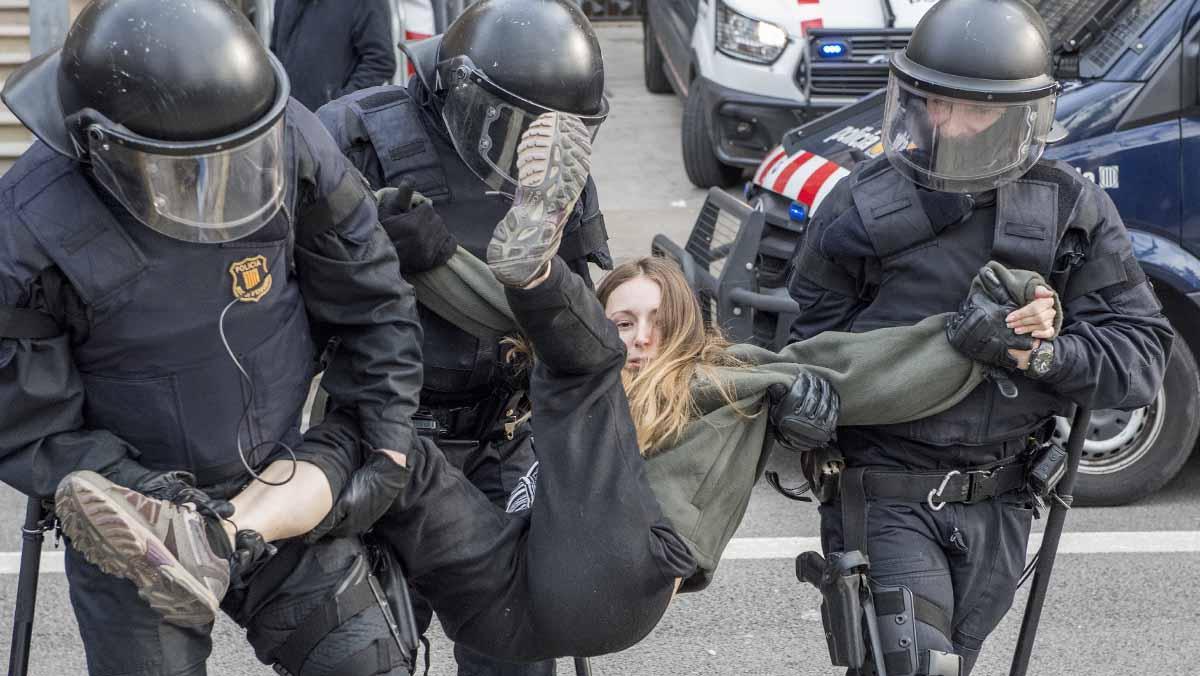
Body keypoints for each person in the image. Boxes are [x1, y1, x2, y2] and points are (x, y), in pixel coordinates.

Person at [54, 104, 1072, 665]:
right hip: (518, 592)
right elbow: (497, 309)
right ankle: (208, 539)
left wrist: (976, 337)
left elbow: (862, 368)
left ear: (685, 330)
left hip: (622, 574)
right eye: (618, 316)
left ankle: (539, 260)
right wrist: (409, 247)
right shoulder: (577, 371)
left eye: (648, 323)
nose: (634, 337)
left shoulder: (731, 374)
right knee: (389, 449)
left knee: (569, 367)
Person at [0, 1, 422, 674]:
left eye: (229, 163)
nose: (211, 197)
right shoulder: (27, 233)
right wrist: (166, 510)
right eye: (182, 172)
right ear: (97, 144)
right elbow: (33, 425)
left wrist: (386, 439)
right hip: (134, 518)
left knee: (366, 662)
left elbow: (374, 304)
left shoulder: (290, 142)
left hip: (280, 474)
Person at [784, 1, 1173, 673]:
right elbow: (805, 352)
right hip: (885, 495)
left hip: (1004, 502)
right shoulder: (857, 208)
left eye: (975, 110)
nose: (948, 124)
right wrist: (801, 411)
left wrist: (1042, 353)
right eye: (934, 102)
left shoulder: (1071, 211)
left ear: (1022, 116)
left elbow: (1140, 359)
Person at [315, 1, 613, 672]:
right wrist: (365, 259)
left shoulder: (559, 168)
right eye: (511, 126)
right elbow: (281, 297)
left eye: (547, 132)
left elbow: (584, 320)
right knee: (368, 651)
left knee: (517, 649)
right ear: (461, 89)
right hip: (387, 434)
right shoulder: (356, 136)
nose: (525, 148)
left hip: (506, 434)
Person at [271, 0, 397, 111]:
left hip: (331, 128)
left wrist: (341, 105)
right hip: (290, 118)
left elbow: (381, 61)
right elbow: (276, 53)